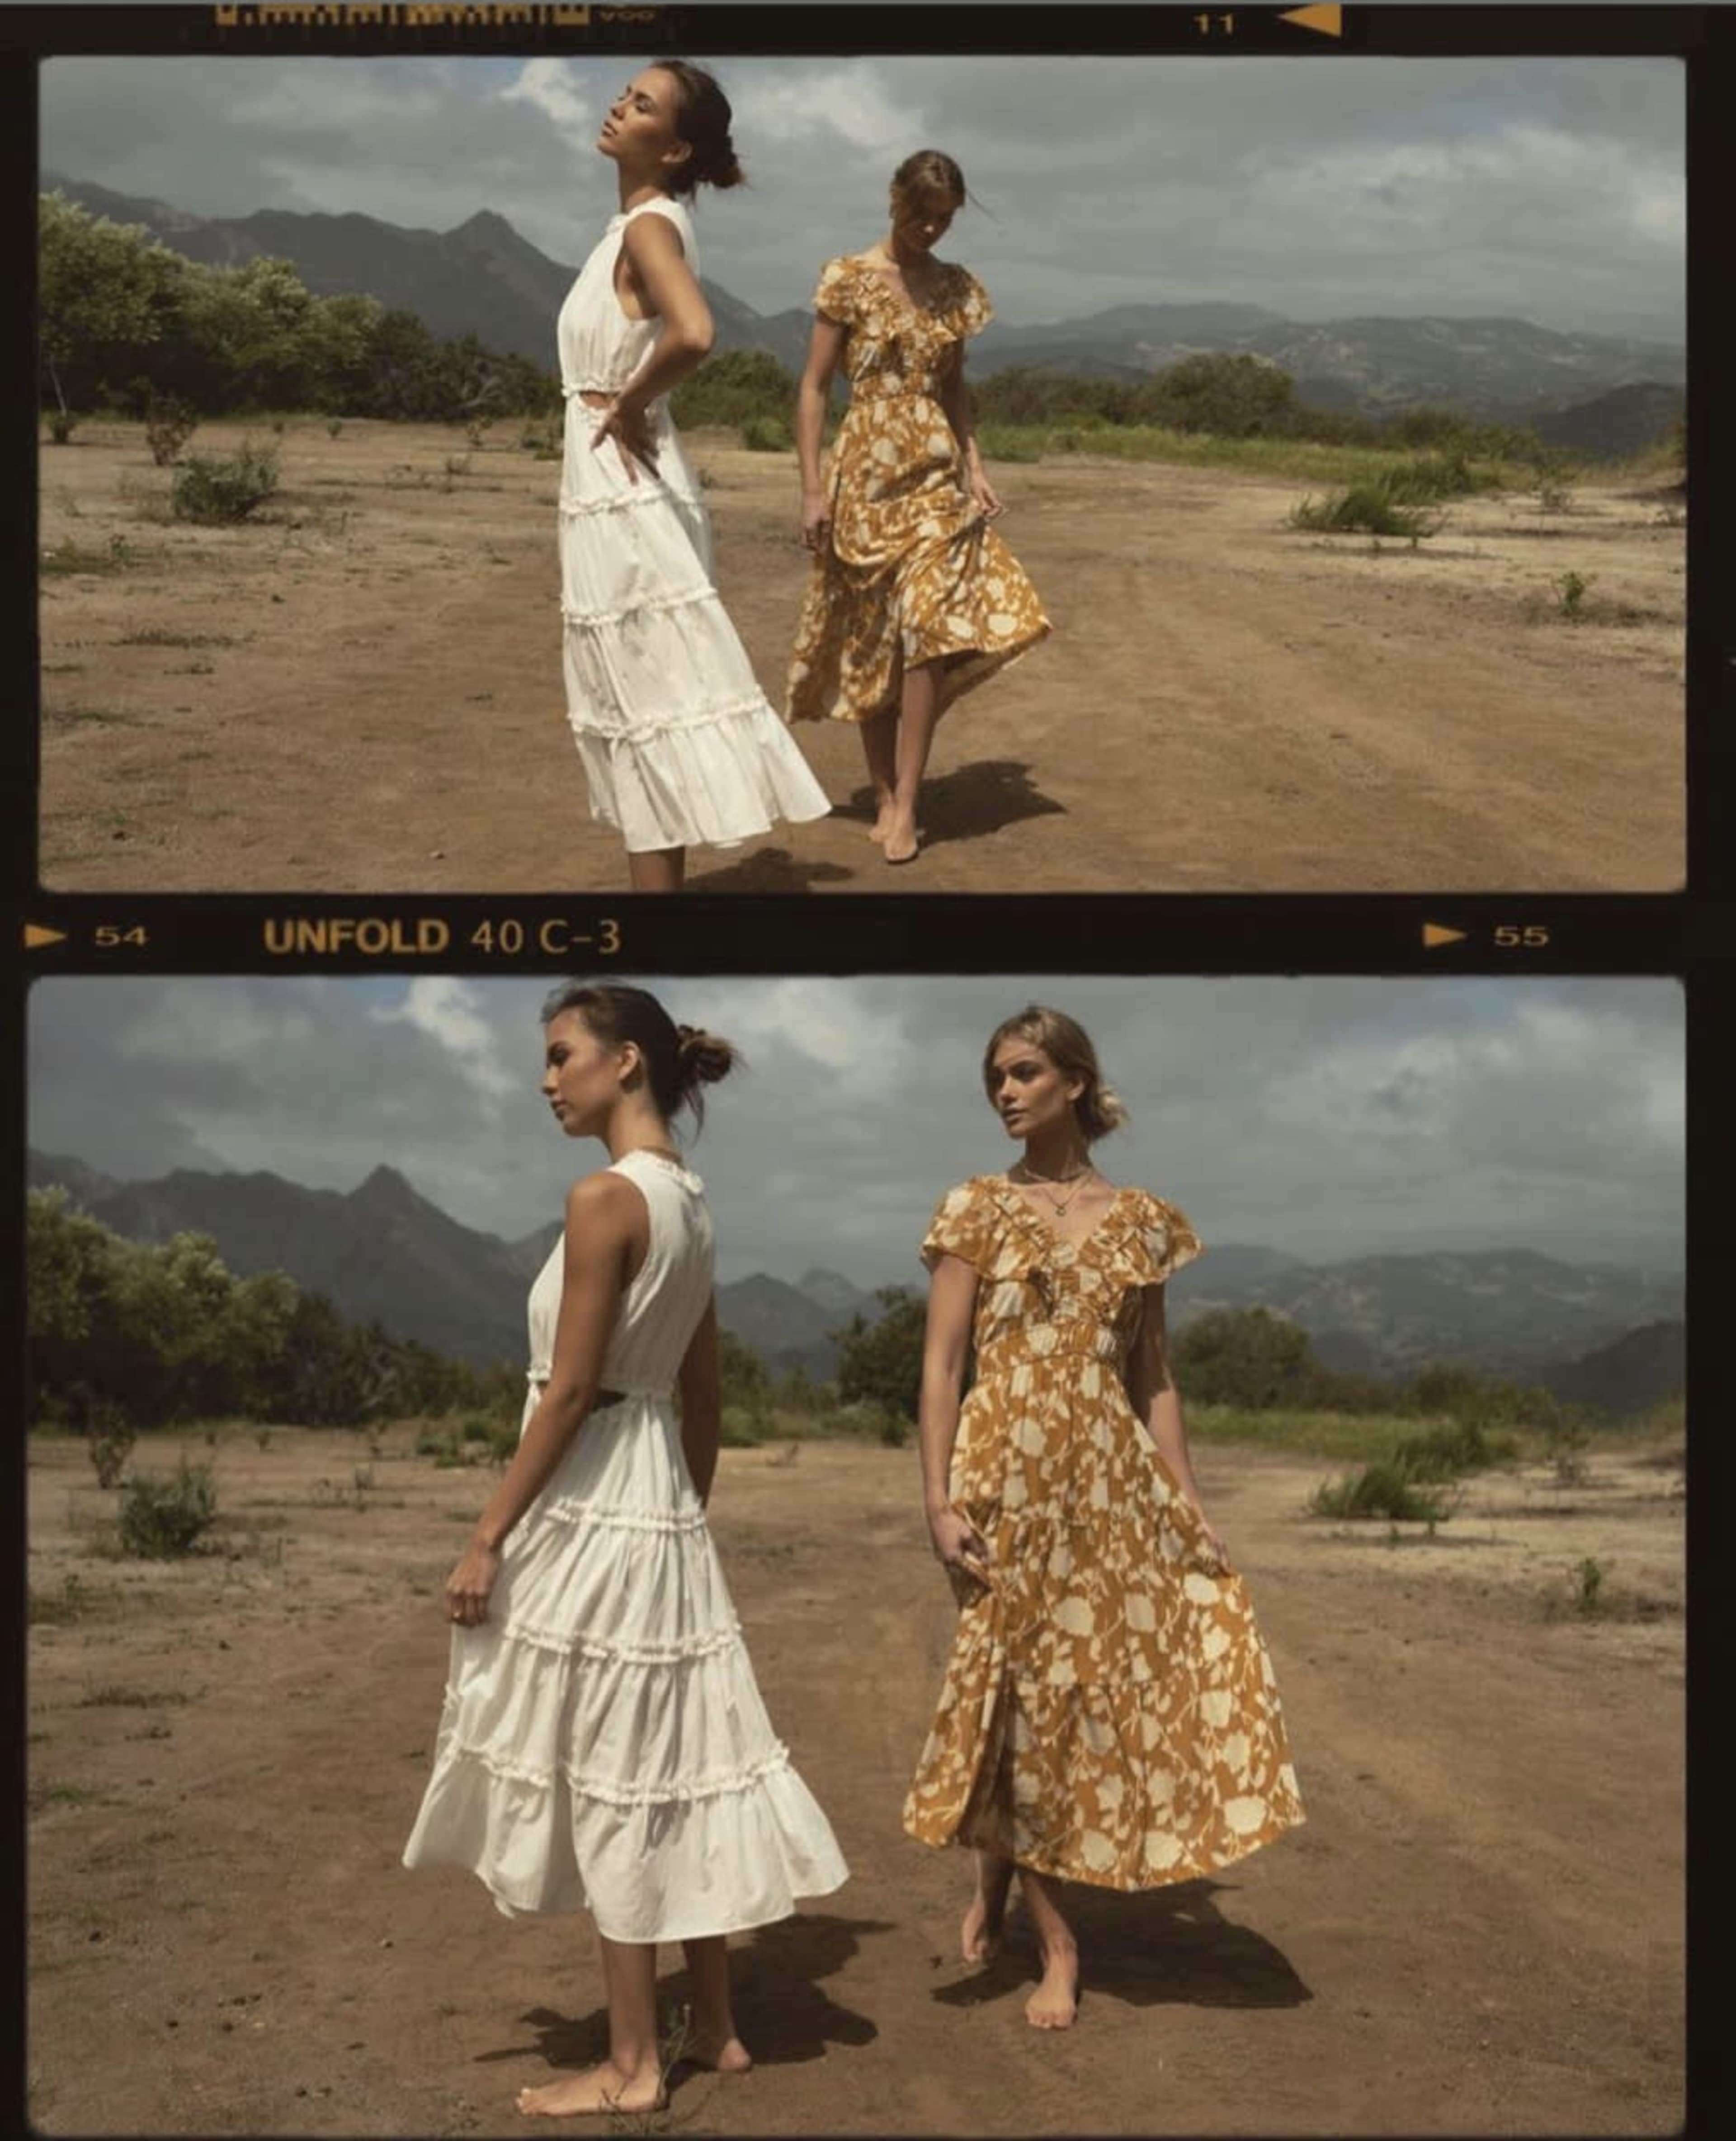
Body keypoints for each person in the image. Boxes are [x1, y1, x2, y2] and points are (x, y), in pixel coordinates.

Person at [403, 981, 848, 2116]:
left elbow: (566, 1395)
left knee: (612, 1774)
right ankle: (720, 2029)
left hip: (600, 1495)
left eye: (562, 1056)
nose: (546, 1079)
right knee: (672, 1760)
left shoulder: (605, 1198)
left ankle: (635, 2064)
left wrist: (486, 1537)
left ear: (629, 1064)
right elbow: (702, 1397)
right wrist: (680, 1522)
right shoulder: (691, 1203)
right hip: (655, 1505)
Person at [904, 1006, 1303, 2029]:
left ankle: (999, 1874)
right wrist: (938, 1499)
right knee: (1025, 1685)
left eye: (1025, 1072)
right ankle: (1062, 1943)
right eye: (995, 1075)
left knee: (1076, 1696)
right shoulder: (974, 1208)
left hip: (1111, 1482)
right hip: (1003, 1478)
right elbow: (944, 1367)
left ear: (1075, 1082)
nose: (1004, 1090)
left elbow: (1154, 1377)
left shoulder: (1143, 1221)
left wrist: (1190, 1508)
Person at [557, 62, 830, 891]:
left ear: (674, 148)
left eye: (642, 105)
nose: (618, 106)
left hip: (623, 483)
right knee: (646, 707)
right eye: (624, 93)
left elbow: (696, 333)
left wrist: (633, 403)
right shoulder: (642, 225)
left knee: (646, 709)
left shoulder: (650, 229)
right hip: (618, 479)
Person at [785, 151, 1050, 866]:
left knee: (928, 625)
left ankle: (907, 800)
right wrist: (812, 489)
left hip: (934, 477)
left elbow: (956, 387)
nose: (932, 230)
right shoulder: (846, 279)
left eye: (945, 220)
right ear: (893, 199)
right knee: (874, 637)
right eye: (920, 215)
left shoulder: (956, 289)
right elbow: (814, 388)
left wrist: (976, 465)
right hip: (863, 479)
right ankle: (880, 788)